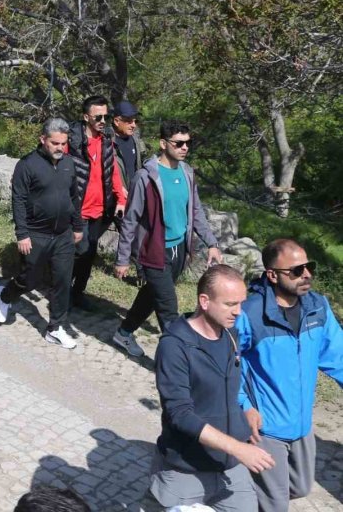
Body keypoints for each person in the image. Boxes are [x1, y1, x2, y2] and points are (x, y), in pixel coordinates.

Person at [151, 264, 273, 510]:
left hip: (230, 469)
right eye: (230, 304)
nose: (238, 312)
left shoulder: (230, 335)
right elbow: (180, 415)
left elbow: (230, 384)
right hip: (185, 472)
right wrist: (239, 448)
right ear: (204, 301)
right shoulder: (175, 347)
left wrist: (245, 409)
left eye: (241, 303)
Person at [235, 239, 343, 511]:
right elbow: (225, 363)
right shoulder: (250, 314)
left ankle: (239, 486)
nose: (306, 274)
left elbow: (337, 354)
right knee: (275, 503)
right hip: (266, 427)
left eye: (309, 267)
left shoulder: (317, 308)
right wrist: (244, 407)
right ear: (272, 274)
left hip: (301, 425)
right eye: (296, 270)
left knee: (301, 486)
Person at [113, 120, 222, 357]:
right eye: (179, 143)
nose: (185, 148)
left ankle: (123, 333)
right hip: (154, 251)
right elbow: (130, 219)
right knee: (169, 309)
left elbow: (195, 211)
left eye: (188, 143)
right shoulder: (145, 177)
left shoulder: (187, 173)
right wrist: (122, 258)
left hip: (179, 251)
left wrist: (211, 242)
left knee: (152, 296)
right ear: (164, 143)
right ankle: (179, 365)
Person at [0, 118, 83, 349]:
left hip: (63, 234)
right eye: (55, 143)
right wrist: (22, 234)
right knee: (30, 279)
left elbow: (73, 197)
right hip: (36, 234)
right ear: (43, 140)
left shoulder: (68, 164)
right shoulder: (27, 165)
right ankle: (5, 295)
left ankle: (55, 328)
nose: (60, 148)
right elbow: (19, 200)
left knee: (63, 280)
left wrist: (77, 226)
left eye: (64, 143)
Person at [67, 95, 126, 307]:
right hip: (78, 209)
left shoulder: (107, 140)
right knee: (79, 251)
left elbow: (113, 173)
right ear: (86, 117)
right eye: (98, 116)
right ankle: (62, 290)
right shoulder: (72, 142)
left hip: (100, 209)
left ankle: (77, 293)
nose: (103, 120)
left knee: (89, 254)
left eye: (106, 116)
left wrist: (120, 198)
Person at [112, 100, 145, 192]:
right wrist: (117, 188)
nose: (133, 125)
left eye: (135, 121)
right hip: (116, 200)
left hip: (136, 196)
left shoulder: (136, 141)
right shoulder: (106, 143)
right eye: (129, 121)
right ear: (117, 121)